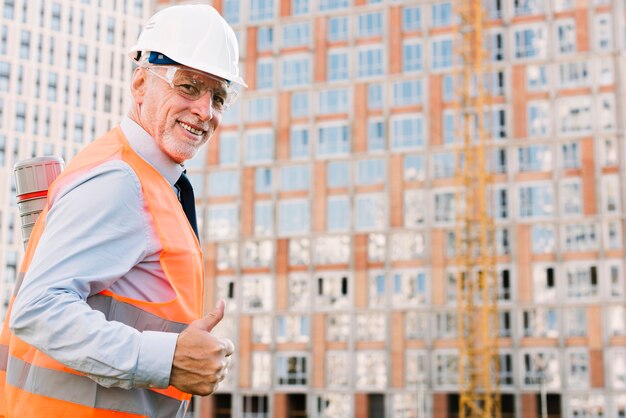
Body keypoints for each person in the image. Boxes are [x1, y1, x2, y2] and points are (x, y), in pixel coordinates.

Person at [0, 4, 246, 417]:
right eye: (188, 87)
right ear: (140, 83)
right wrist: (168, 359)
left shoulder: (150, 180)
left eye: (218, 96)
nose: (205, 111)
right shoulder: (120, 179)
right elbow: (38, 308)